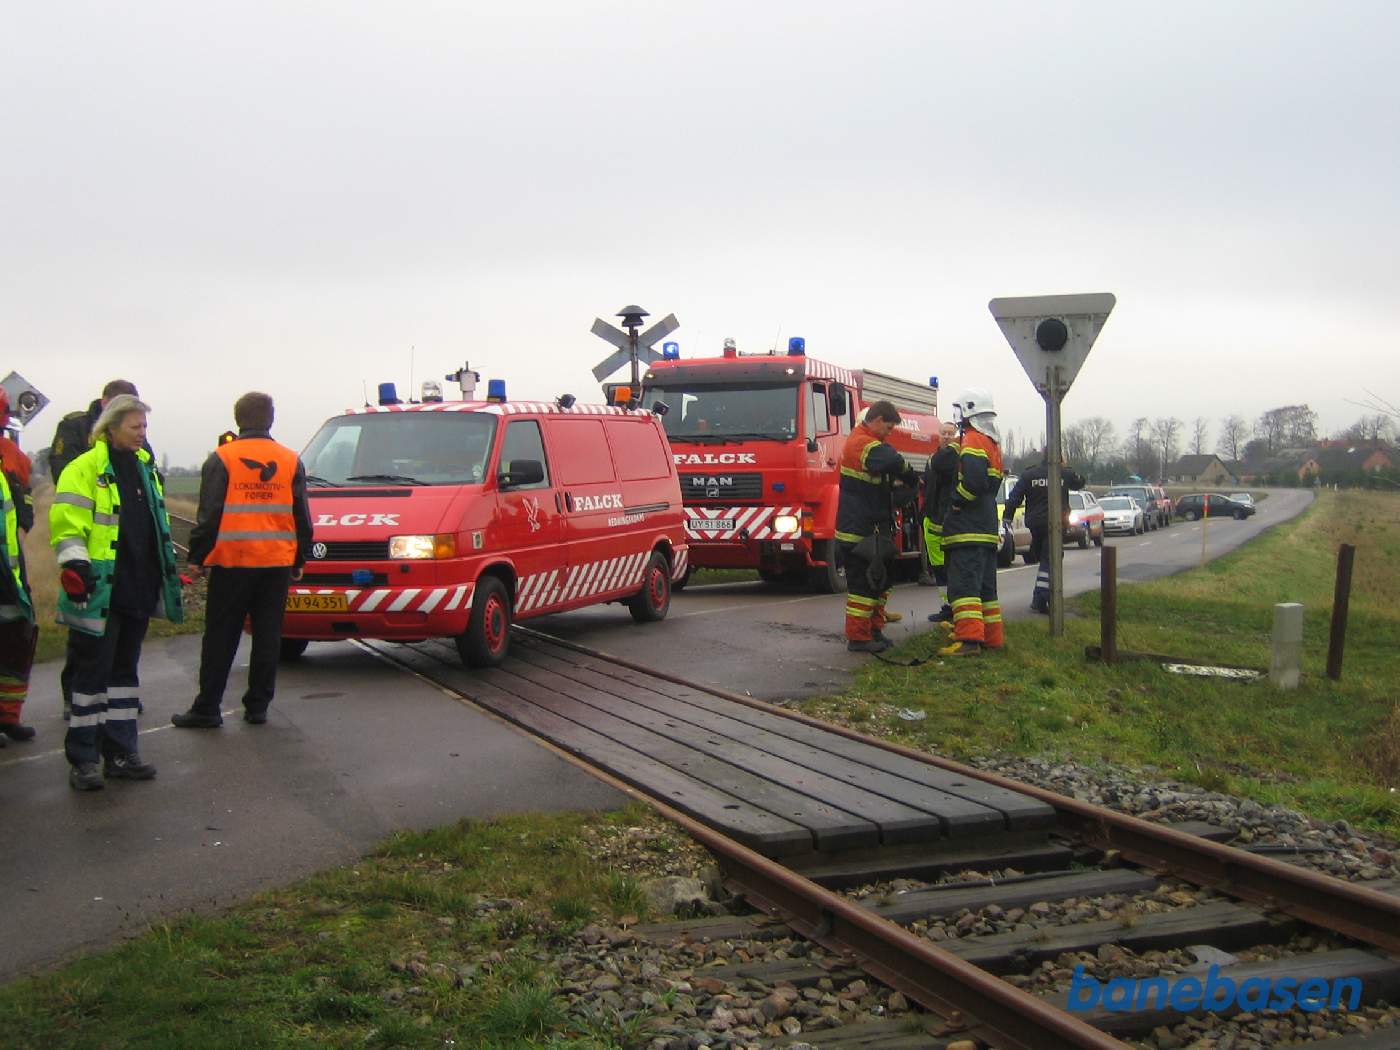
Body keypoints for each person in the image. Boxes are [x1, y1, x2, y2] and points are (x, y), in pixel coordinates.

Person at [51, 395, 184, 790]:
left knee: (124, 676)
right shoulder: (84, 469)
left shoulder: (145, 467)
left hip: (137, 587)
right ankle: (84, 760)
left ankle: (122, 753)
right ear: (111, 428)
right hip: (98, 589)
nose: (143, 434)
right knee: (92, 675)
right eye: (135, 427)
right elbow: (67, 525)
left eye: (144, 427)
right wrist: (75, 565)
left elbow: (153, 526)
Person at [172, 392, 313, 729]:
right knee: (268, 635)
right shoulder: (291, 460)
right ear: (271, 419)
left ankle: (208, 707)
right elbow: (301, 515)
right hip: (276, 563)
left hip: (232, 562)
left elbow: (209, 513)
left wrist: (198, 556)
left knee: (221, 635)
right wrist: (299, 556)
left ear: (238, 419)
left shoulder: (222, 458)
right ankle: (258, 706)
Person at [50, 378, 143, 720]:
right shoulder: (75, 427)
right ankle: (74, 697)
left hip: (127, 569)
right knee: (86, 645)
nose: (140, 431)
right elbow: (65, 477)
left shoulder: (138, 451)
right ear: (106, 405)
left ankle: (119, 721)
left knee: (122, 657)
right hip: (91, 555)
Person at [835, 401, 919, 653]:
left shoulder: (870, 444)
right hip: (859, 531)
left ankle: (874, 630)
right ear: (878, 420)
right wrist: (910, 476)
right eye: (889, 426)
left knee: (878, 583)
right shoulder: (862, 443)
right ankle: (858, 638)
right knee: (862, 587)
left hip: (871, 528)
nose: (890, 432)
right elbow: (892, 460)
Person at [939, 388, 1005, 657]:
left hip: (968, 529)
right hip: (985, 528)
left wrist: (957, 500)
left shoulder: (974, 440)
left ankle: (968, 641)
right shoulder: (991, 442)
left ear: (969, 411)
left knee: (965, 587)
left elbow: (974, 482)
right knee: (986, 590)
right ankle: (991, 638)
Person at [1002, 450, 1086, 614]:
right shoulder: (1063, 473)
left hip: (1035, 523)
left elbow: (1014, 498)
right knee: (1051, 558)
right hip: (1055, 523)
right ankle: (1041, 598)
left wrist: (1007, 518)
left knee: (1046, 557)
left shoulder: (1029, 474)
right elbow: (1080, 482)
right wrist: (1065, 468)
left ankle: (1039, 596)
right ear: (1059, 457)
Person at [0, 465, 37, 745]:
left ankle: (8, 717)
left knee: (16, 645)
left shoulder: (9, 461)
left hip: (10, 577)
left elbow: (22, 503)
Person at [921, 420, 960, 626]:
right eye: (943, 433)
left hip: (946, 521)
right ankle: (947, 607)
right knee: (938, 567)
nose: (946, 436)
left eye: (950, 433)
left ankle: (954, 607)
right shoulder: (933, 458)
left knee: (949, 567)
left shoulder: (953, 458)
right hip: (932, 518)